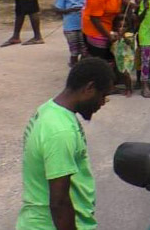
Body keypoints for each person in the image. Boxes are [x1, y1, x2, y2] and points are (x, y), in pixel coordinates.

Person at [16, 58, 113, 229]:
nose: (102, 103)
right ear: (89, 88)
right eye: (102, 95)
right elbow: (59, 203)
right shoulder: (61, 131)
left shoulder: (49, 110)